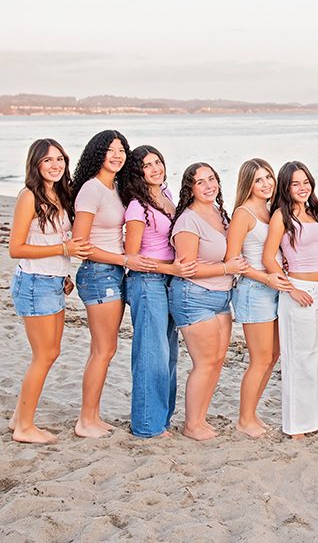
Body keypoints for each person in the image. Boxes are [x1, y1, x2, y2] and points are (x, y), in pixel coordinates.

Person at [8, 138, 91, 443]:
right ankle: (25, 428)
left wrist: (64, 272)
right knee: (43, 356)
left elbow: (54, 242)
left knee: (50, 353)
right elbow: (16, 248)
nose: (56, 165)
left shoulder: (60, 194)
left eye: (60, 159)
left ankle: (19, 418)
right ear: (35, 164)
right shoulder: (29, 197)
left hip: (54, 282)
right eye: (48, 160)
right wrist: (63, 248)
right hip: (34, 284)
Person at [119, 145, 196, 438]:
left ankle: (161, 419)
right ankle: (147, 424)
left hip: (167, 282)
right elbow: (133, 257)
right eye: (147, 165)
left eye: (158, 162)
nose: (155, 168)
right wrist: (172, 270)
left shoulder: (166, 196)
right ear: (137, 172)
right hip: (147, 283)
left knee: (169, 355)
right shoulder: (137, 207)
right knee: (151, 354)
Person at [169, 163, 247, 440]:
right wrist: (228, 269)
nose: (208, 186)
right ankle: (191, 425)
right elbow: (188, 267)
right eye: (200, 182)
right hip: (194, 295)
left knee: (216, 361)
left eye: (211, 179)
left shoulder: (218, 213)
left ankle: (200, 419)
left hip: (221, 296)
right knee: (204, 363)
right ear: (190, 189)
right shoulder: (188, 221)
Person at [71, 130, 132, 438]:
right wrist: (124, 260)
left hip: (113, 273)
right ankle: (86, 420)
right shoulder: (91, 190)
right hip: (98, 273)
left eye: (121, 149)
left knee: (104, 348)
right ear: (98, 153)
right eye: (110, 150)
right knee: (103, 350)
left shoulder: (116, 188)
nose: (117, 155)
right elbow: (80, 244)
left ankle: (92, 416)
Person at [263, 161, 318, 438]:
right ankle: (294, 426)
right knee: (297, 359)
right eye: (295, 183)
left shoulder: (315, 212)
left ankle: (311, 421)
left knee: (317, 357)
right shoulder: (281, 215)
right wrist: (291, 289)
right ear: (286, 187)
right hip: (297, 290)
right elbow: (268, 258)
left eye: (306, 182)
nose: (302, 188)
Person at [226, 158, 286, 437]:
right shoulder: (243, 213)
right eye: (258, 179)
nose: (265, 184)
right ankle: (244, 419)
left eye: (268, 177)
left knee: (273, 356)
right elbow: (233, 259)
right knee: (259, 359)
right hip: (254, 290)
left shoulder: (272, 210)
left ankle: (252, 414)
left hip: (275, 288)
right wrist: (267, 278)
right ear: (248, 183)